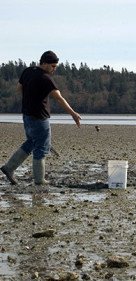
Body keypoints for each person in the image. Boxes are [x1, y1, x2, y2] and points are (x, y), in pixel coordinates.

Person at [0, 50, 81, 185]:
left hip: (27, 115)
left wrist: (29, 98)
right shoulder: (45, 78)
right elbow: (59, 99)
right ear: (44, 63)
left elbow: (19, 88)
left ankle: (9, 168)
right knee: (41, 147)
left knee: (31, 142)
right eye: (53, 66)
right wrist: (73, 114)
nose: (54, 69)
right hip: (40, 118)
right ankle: (39, 180)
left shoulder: (27, 71)